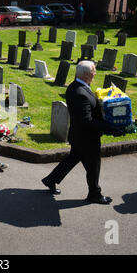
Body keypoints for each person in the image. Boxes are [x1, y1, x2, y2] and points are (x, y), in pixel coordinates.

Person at [41, 60, 125, 204]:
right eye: (93, 71)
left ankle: (50, 180)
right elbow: (87, 121)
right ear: (86, 74)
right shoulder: (80, 93)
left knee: (73, 159)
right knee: (93, 166)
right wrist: (110, 128)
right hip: (86, 139)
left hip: (79, 136)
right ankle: (94, 194)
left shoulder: (77, 86)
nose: (95, 73)